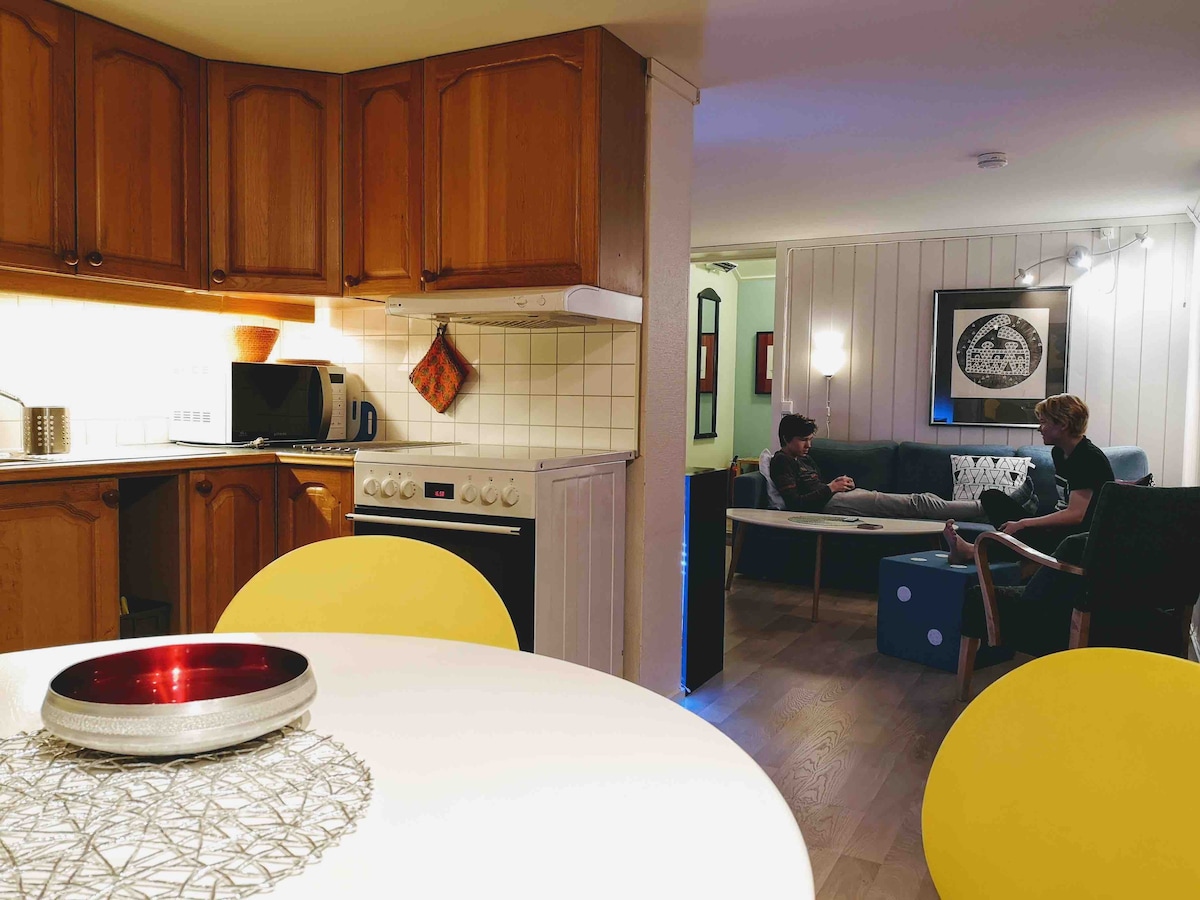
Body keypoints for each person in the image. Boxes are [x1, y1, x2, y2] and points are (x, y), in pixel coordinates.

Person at [944, 393, 1114, 563]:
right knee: (992, 498)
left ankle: (972, 551)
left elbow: (1076, 515)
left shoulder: (1087, 458)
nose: (1039, 428)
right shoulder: (1059, 452)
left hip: (1079, 537)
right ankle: (981, 551)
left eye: (1044, 422)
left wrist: (1024, 523)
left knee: (1024, 530)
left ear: (1063, 424)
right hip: (1059, 528)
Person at [767, 414, 988, 521]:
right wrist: (831, 488)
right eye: (803, 440)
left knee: (923, 499)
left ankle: (980, 509)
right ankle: (983, 508)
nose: (808, 445)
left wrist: (838, 484)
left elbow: (817, 486)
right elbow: (796, 504)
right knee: (917, 503)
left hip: (837, 498)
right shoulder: (781, 461)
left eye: (810, 439)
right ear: (786, 438)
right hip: (829, 507)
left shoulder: (804, 458)